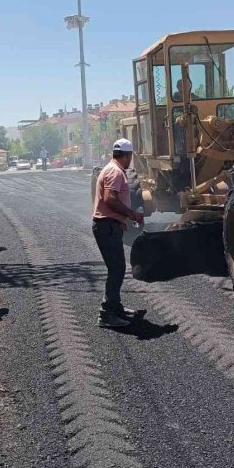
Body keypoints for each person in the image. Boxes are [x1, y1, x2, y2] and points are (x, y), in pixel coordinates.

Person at [92, 138, 144, 328]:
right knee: (116, 269)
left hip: (109, 225)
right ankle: (107, 314)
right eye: (131, 156)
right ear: (128, 155)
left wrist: (120, 220)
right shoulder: (115, 172)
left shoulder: (111, 168)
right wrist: (131, 214)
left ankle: (116, 307)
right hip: (106, 227)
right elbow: (110, 199)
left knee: (118, 267)